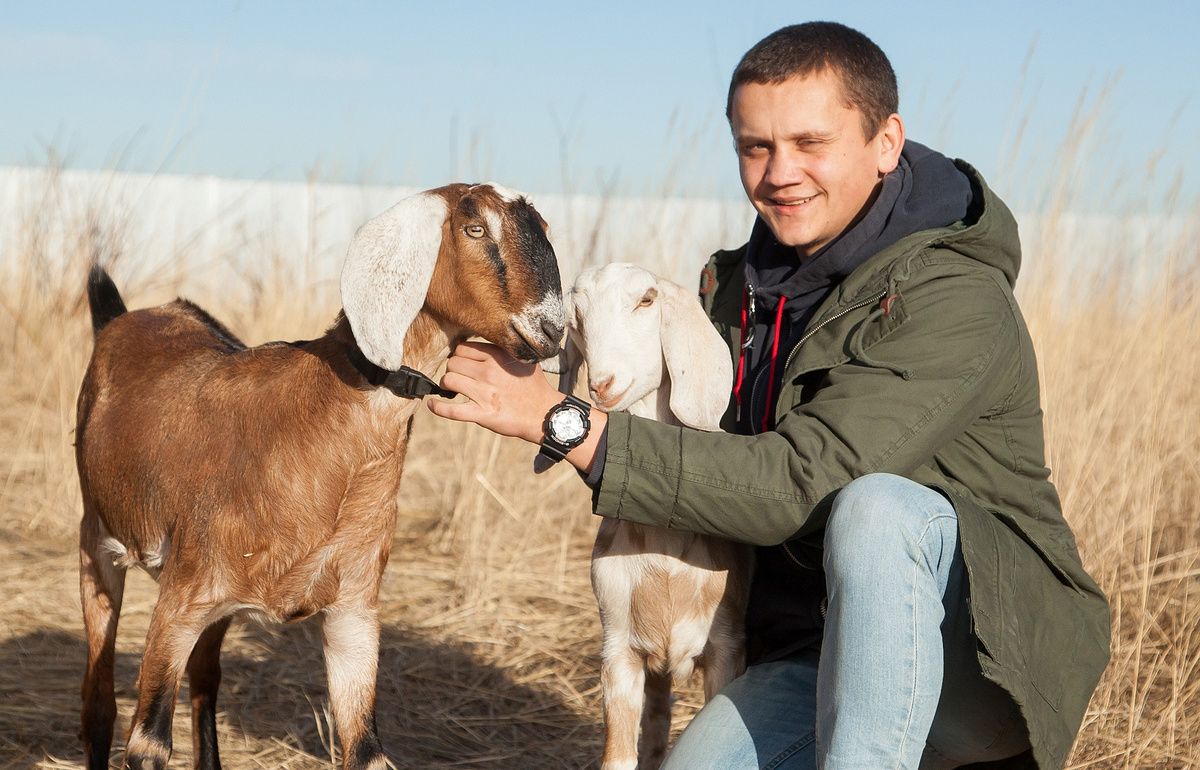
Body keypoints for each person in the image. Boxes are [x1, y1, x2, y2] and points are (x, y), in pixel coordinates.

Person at [427, 21, 1110, 770]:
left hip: (975, 664)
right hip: (807, 654)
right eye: (756, 146)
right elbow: (687, 442)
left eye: (810, 142)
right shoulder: (731, 291)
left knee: (878, 511)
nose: (780, 171)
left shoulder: (953, 298)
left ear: (886, 142)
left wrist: (563, 423)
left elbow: (798, 481)